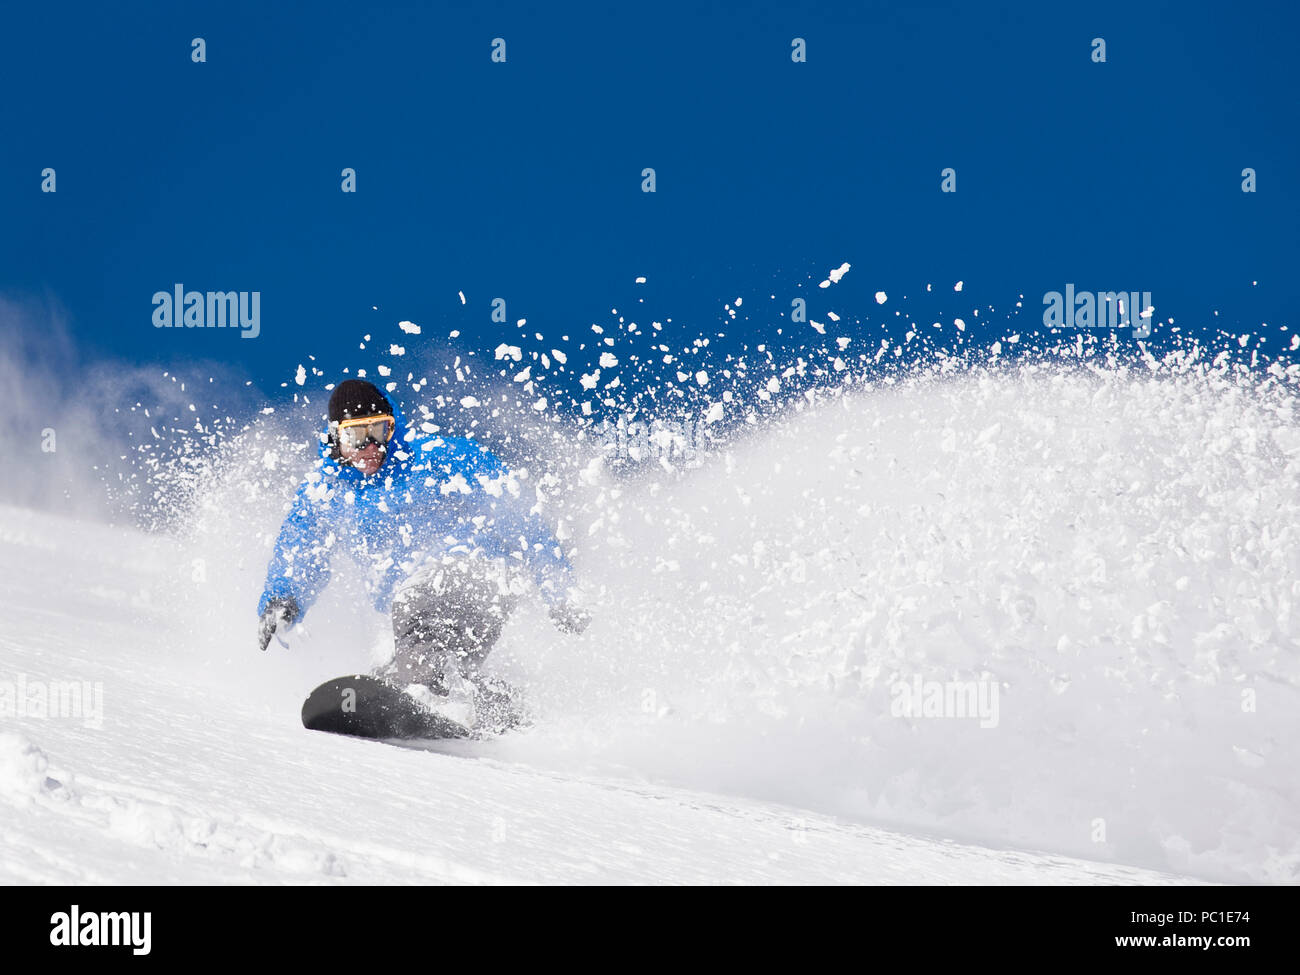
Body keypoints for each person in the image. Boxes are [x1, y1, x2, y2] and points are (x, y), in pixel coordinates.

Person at [257, 379, 587, 726]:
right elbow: (301, 545)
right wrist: (284, 598)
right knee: (403, 666)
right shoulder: (327, 489)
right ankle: (498, 711)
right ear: (337, 439)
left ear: (392, 428)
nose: (371, 447)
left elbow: (521, 519)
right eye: (357, 437)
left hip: (478, 572)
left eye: (380, 431)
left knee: (420, 611)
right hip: (412, 610)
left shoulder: (440, 458)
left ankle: (429, 694)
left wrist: (561, 591)